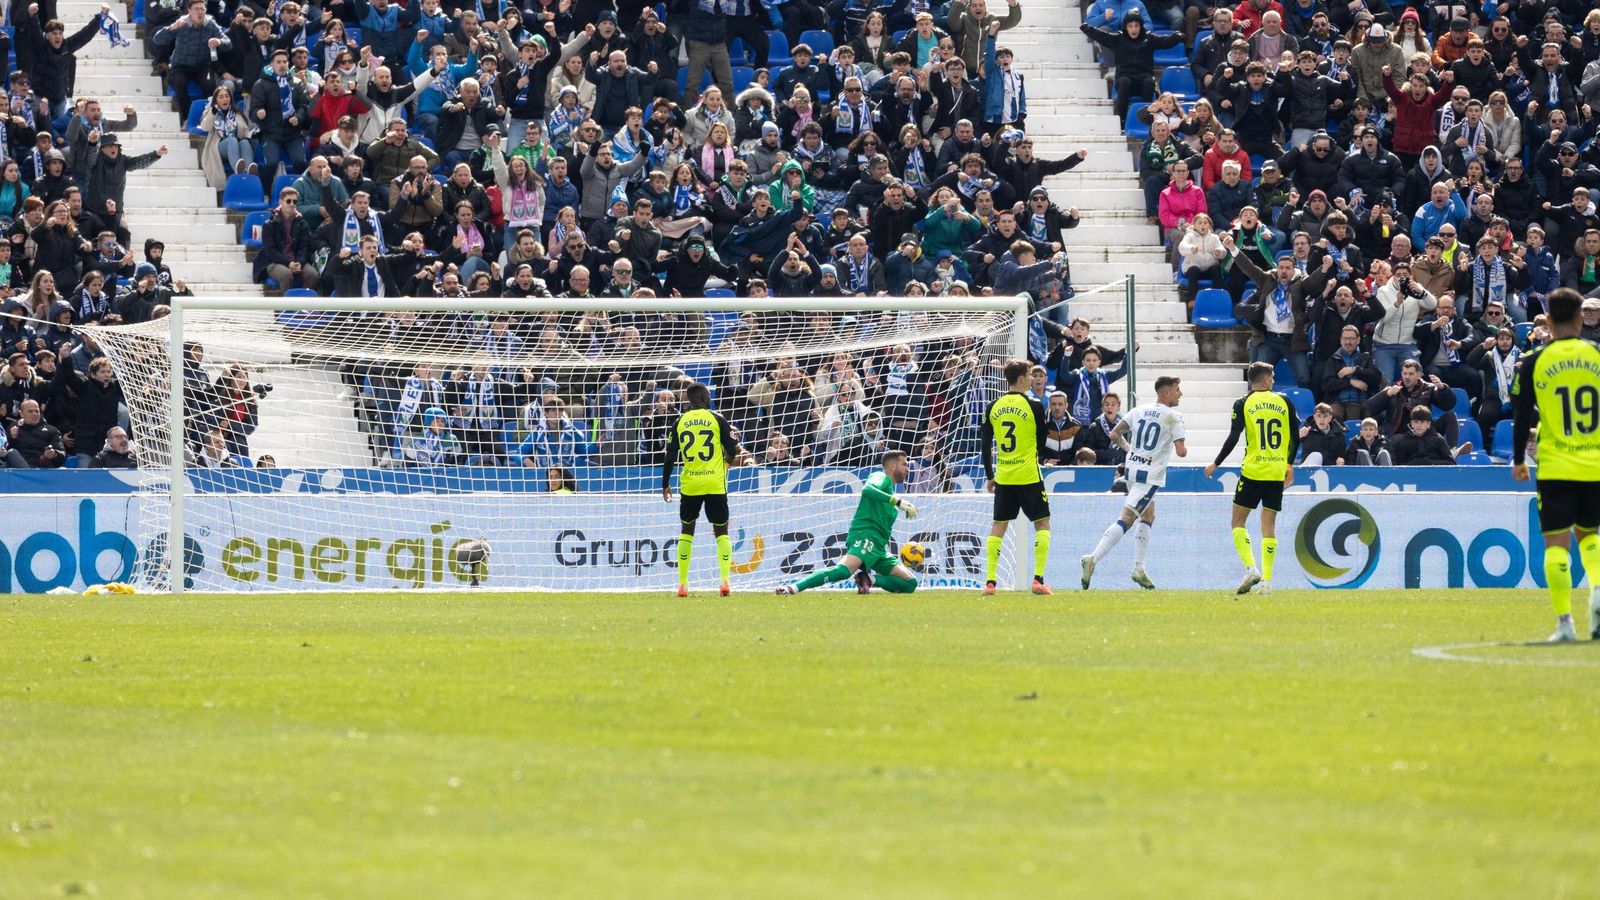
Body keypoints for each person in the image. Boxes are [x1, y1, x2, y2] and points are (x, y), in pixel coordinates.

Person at [1510, 288, 1600, 642]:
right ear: (1581, 319)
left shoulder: (1534, 360)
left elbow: (1520, 416)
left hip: (1555, 465)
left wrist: (1518, 459)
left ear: (1547, 322)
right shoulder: (1596, 356)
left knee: (1557, 545)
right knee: (1590, 538)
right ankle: (1597, 593)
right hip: (1594, 464)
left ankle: (1565, 624)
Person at [1080, 375, 1185, 590]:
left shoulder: (1138, 410)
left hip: (1131, 470)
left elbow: (1114, 433)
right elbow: (1182, 452)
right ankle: (1093, 558)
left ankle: (1139, 568)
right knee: (1127, 517)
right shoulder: (1174, 416)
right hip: (1150, 476)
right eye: (1177, 390)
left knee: (1148, 514)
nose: (1180, 393)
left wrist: (1131, 451)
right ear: (1166, 393)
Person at [1204, 361, 1299, 596]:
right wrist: (1289, 464)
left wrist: (1217, 462)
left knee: (1237, 522)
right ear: (1265, 379)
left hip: (1253, 470)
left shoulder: (1243, 403)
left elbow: (1233, 438)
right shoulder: (1284, 401)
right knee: (1269, 527)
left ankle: (1251, 569)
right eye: (1272, 376)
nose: (1274, 380)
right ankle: (1267, 583)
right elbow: (1295, 436)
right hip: (1276, 471)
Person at [775, 450, 920, 596]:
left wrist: (897, 503)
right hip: (865, 536)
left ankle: (868, 579)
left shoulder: (890, 492)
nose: (907, 469)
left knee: (910, 583)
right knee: (842, 571)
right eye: (904, 465)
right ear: (893, 466)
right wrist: (897, 502)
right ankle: (791, 588)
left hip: (879, 546)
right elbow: (867, 489)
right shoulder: (880, 477)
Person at [661, 382, 743, 598]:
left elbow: (670, 455)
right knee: (721, 532)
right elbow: (733, 448)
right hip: (715, 483)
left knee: (687, 531)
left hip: (691, 484)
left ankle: (682, 584)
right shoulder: (717, 418)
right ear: (706, 398)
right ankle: (725, 581)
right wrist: (727, 460)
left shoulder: (680, 422)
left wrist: (665, 483)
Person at [979, 358, 1052, 596]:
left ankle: (990, 582)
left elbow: (984, 444)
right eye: (1030, 375)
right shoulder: (1034, 405)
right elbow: (1041, 442)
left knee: (998, 526)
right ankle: (1038, 580)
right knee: (1042, 523)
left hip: (1005, 476)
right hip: (1029, 475)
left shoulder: (993, 406)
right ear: (1021, 378)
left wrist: (991, 475)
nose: (1033, 379)